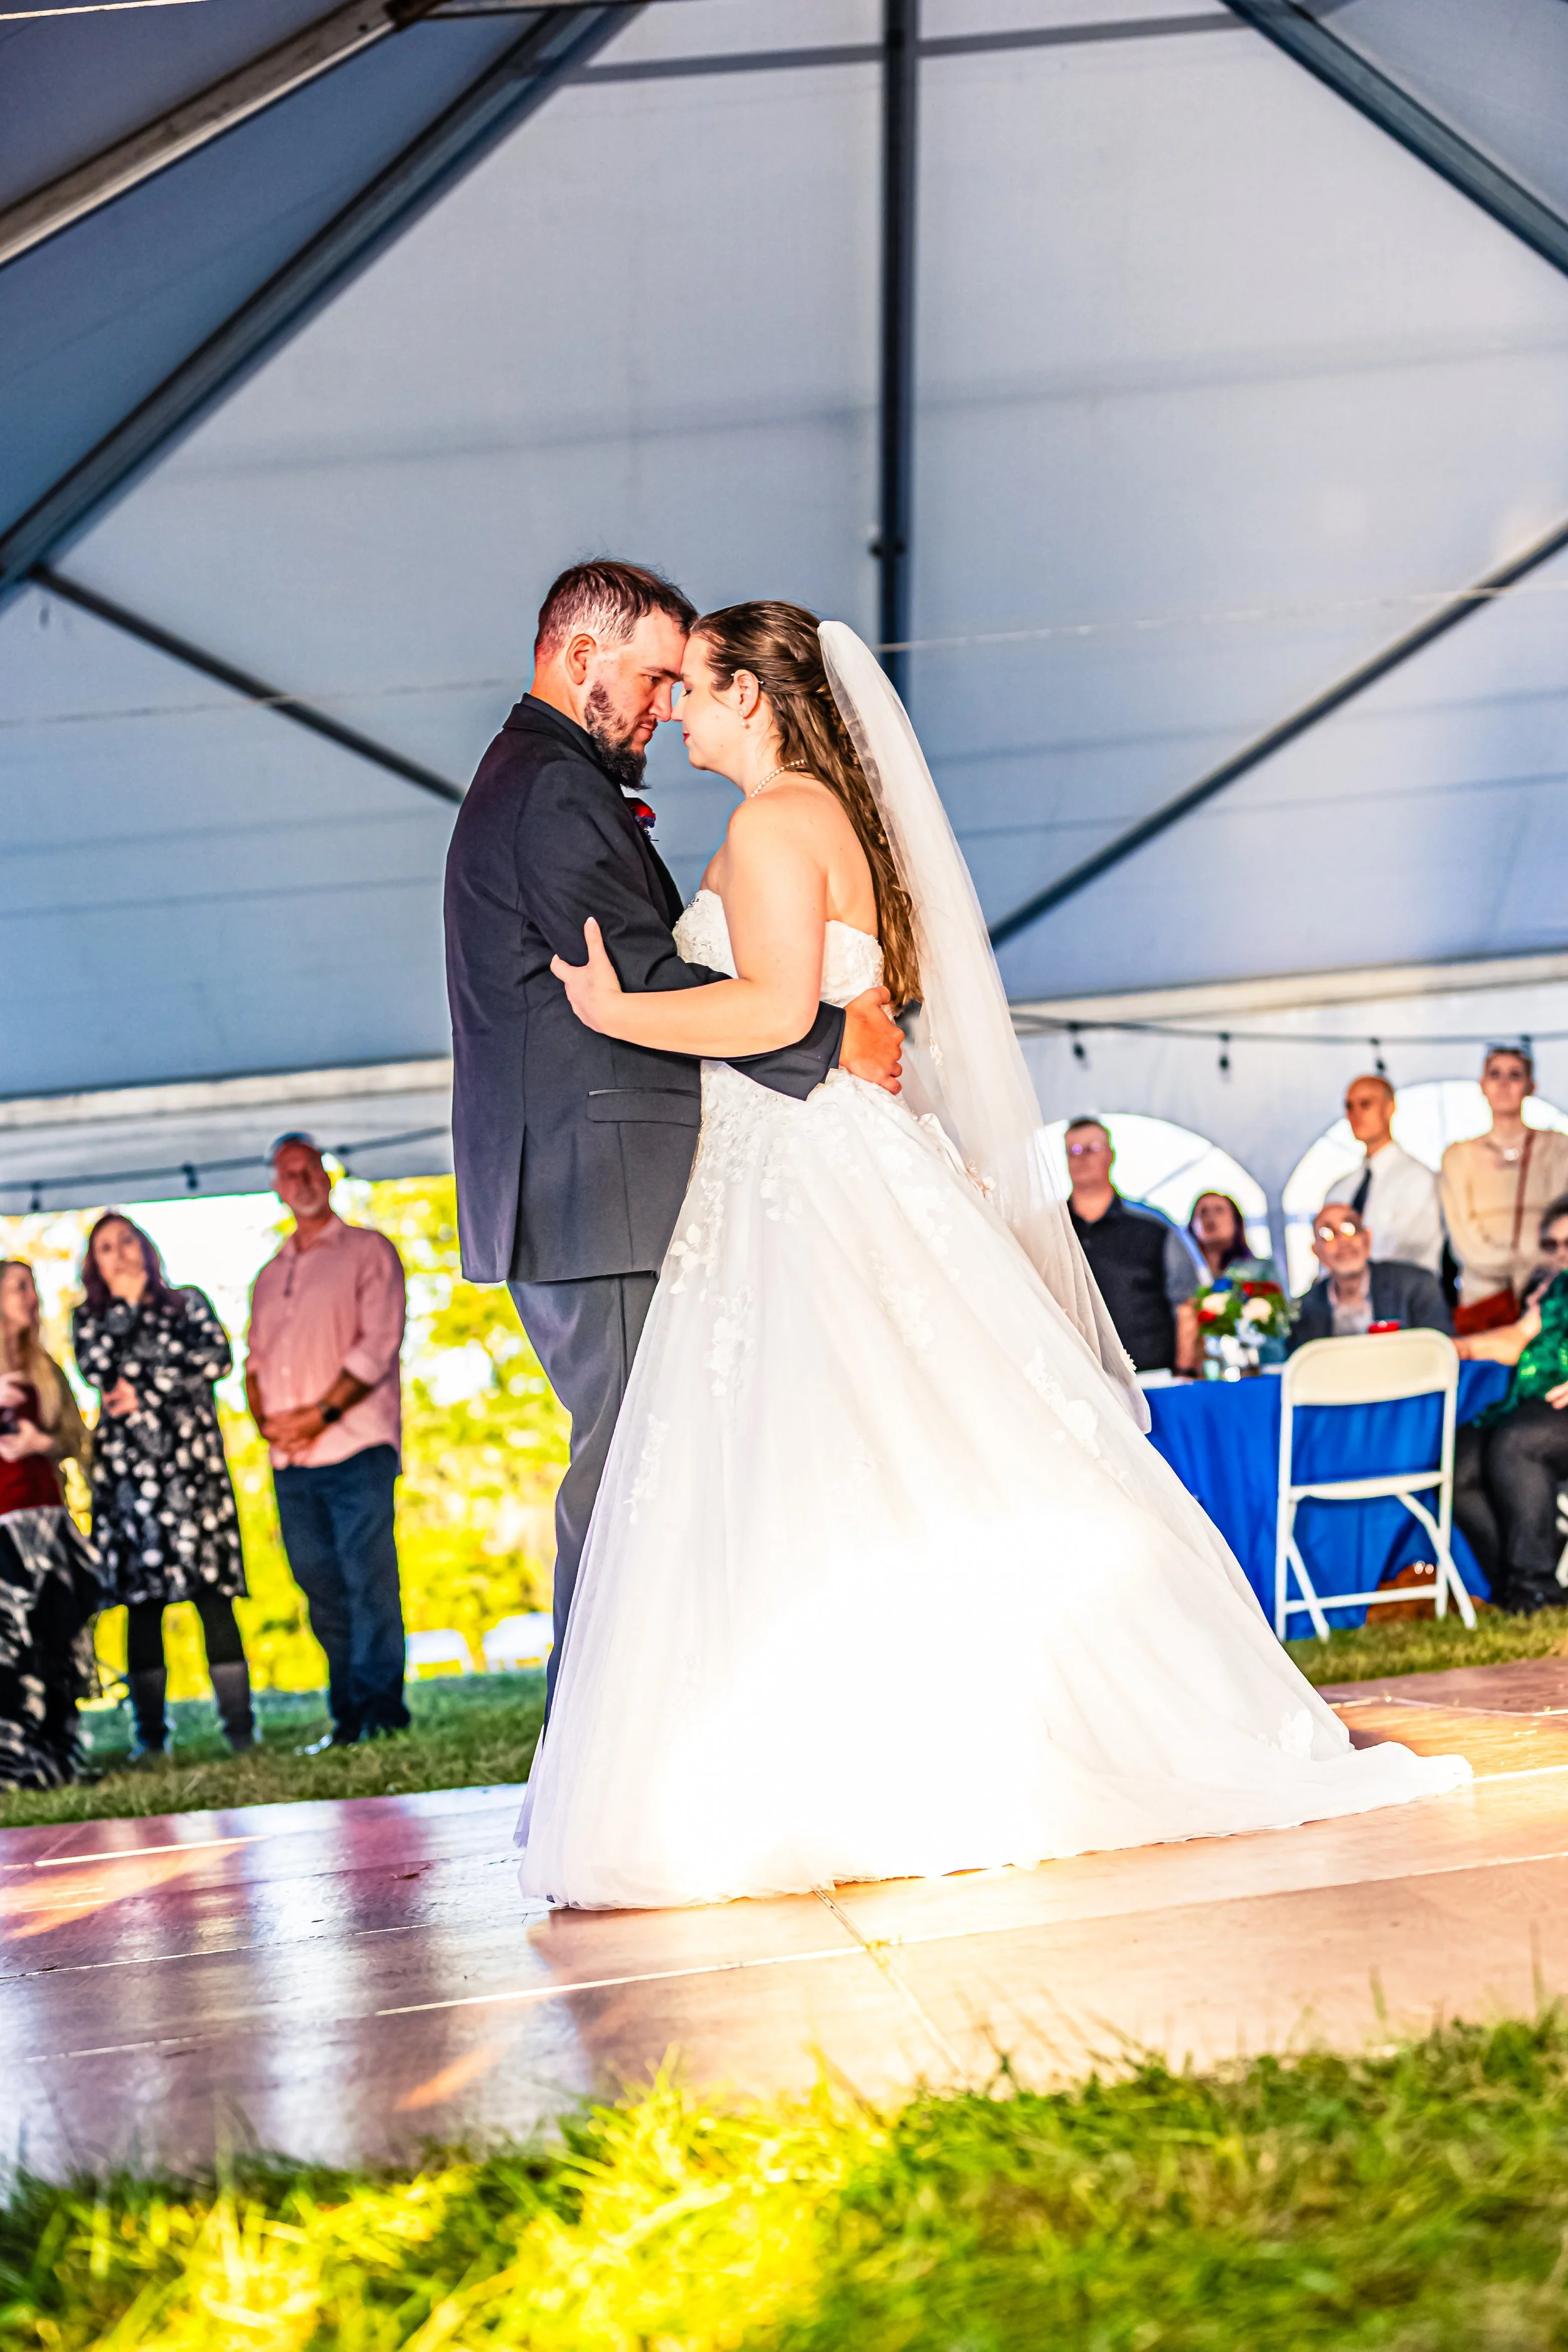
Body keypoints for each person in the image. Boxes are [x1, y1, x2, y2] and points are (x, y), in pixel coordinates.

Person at [514, 601, 1466, 1910]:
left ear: (755, 697)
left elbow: (778, 1011)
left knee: (821, 1445)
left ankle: (870, 1758)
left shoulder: (775, 822)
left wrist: (619, 1005)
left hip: (799, 1169)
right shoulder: (812, 819)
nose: (674, 705)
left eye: (696, 686)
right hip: (797, 1160)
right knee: (880, 1440)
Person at [442, 559, 904, 1708]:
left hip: (613, 1180)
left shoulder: (550, 779)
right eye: (652, 678)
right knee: (632, 1469)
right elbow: (647, 980)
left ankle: (654, 1736)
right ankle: (596, 1743)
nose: (663, 703)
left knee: (666, 1463)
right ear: (579, 656)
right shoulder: (551, 791)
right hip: (601, 1188)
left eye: (680, 684)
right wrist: (832, 1036)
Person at [246, 1135, 410, 1747]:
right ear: (278, 1187)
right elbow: (255, 1364)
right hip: (291, 1460)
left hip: (357, 1448)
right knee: (319, 1583)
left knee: (367, 1581)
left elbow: (377, 1345)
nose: (301, 1181)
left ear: (328, 1176)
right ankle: (347, 1714)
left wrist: (319, 1414)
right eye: (288, 1174)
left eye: (309, 1168)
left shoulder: (369, 1251)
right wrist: (270, 1424)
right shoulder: (269, 1275)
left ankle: (379, 1712)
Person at [72, 1215, 252, 1759]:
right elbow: (99, 1369)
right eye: (105, 1247)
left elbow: (216, 1357)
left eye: (126, 1241)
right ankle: (151, 1738)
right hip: (129, 1484)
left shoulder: (188, 1302)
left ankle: (241, 1731)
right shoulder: (91, 1318)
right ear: (94, 1263)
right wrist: (168, 1372)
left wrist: (144, 1387)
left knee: (214, 1597)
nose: (119, 1253)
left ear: (146, 1249)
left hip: (194, 1475)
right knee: (141, 1605)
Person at [0, 1260, 102, 1786]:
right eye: (18, 1287)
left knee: (57, 1638)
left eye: (31, 1287)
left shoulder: (45, 1368)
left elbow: (77, 1439)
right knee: (9, 1650)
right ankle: (14, 1764)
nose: (30, 1296)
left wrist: (42, 1443)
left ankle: (62, 1757)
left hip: (50, 1524)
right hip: (3, 1529)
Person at [1451, 1192, 1568, 1614]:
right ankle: (1513, 1587)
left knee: (1518, 1443)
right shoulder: (1558, 1287)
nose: (1560, 1254)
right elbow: (1518, 1339)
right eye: (1552, 1246)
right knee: (1460, 1459)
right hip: (1547, 1403)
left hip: (1552, 1414)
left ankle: (1536, 1591)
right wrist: (1456, 1347)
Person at [1440, 1046, 1568, 1328]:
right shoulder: (1458, 1156)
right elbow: (1463, 1239)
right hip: (1484, 1299)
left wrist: (1538, 1271)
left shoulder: (1558, 1148)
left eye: (1515, 1075)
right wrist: (1518, 1266)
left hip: (1547, 1290)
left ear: (1530, 1086)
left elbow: (1561, 1221)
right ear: (1483, 1086)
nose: (1504, 1084)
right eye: (1495, 1074)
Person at [1063, 1119, 1199, 1375]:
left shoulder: (1153, 1228)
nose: (1082, 1159)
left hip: (1152, 1378)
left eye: (1091, 1149)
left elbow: (1186, 1305)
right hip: (1076, 1379)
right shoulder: (1051, 1231)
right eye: (1073, 1151)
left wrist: (1184, 1371)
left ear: (1110, 1155)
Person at [1288, 1202, 1451, 1352]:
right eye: (1328, 1234)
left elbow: (1442, 1351)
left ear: (1368, 1240)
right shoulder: (1303, 1309)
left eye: (1351, 1228)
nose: (1343, 1240)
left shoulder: (1416, 1284)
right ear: (1317, 1252)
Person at [1323, 1074, 1442, 1274]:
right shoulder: (1340, 1190)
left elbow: (1405, 1253)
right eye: (1350, 1107)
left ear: (1389, 1108)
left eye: (1365, 1104)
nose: (1356, 1115)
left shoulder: (1418, 1179)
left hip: (1405, 1297)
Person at [1187, 1191, 1281, 1288]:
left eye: (1219, 1210)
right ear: (1192, 1226)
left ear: (1236, 1222)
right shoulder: (1183, 1276)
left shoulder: (1263, 1269)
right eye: (1204, 1212)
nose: (1211, 1217)